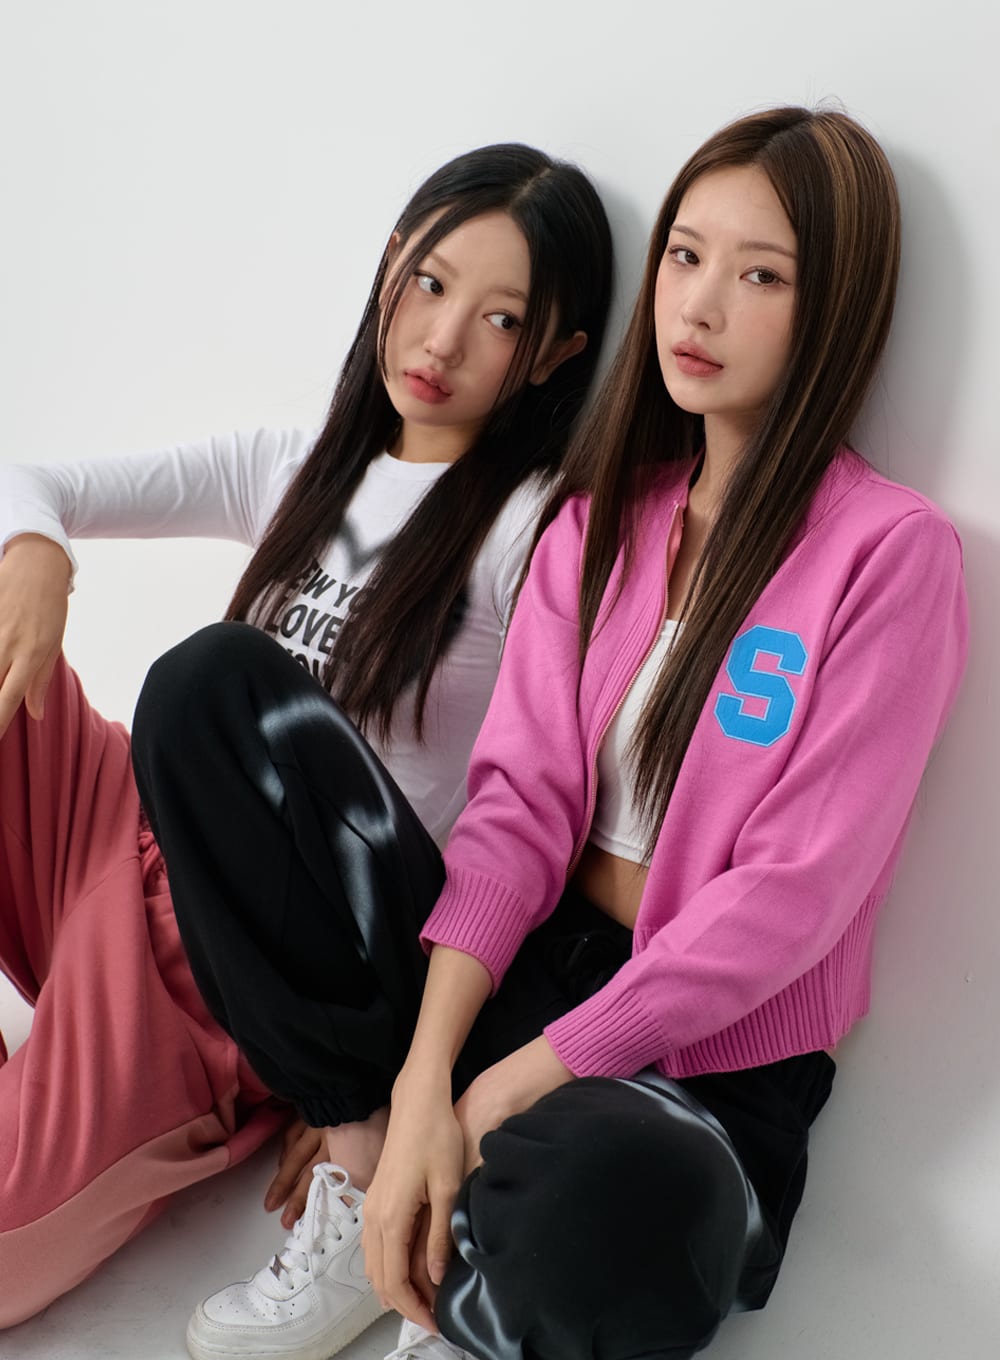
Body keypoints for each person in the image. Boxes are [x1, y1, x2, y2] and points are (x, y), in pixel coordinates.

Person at [132, 105, 967, 1360]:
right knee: (212, 689)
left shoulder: (888, 553)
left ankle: (459, 1281)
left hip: (702, 1061)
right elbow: (516, 811)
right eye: (684, 255)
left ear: (833, 308)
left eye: (761, 276)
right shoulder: (597, 524)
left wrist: (501, 1092)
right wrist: (424, 1082)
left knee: (620, 1194)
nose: (699, 305)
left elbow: (790, 896)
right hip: (517, 971)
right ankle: (374, 1162)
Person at [0, 141, 613, 1340]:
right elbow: (34, 478)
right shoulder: (297, 463)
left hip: (225, 969)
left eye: (499, 320)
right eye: (429, 284)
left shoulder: (535, 529)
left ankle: (326, 1107)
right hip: (118, 828)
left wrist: (366, 1076)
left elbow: (537, 811)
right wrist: (39, 555)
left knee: (214, 673)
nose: (441, 340)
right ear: (390, 266)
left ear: (551, 355)